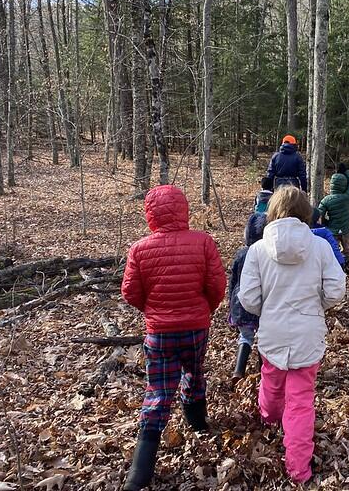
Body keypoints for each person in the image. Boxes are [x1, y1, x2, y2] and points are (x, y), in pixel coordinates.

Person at [120, 185, 226, 491]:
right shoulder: (202, 242)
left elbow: (130, 292)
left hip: (160, 332)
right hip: (195, 327)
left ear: (149, 214)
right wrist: (203, 309)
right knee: (194, 371)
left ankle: (138, 476)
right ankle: (198, 423)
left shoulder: (139, 249)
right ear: (184, 210)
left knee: (158, 392)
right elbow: (217, 285)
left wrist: (154, 310)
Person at [239, 186, 346, 483]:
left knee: (271, 382)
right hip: (308, 334)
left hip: (272, 332)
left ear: (272, 211)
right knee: (300, 402)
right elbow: (336, 290)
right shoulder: (320, 247)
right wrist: (317, 305)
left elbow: (247, 297)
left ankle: (269, 417)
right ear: (306, 213)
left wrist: (268, 309)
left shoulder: (258, 250)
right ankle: (299, 470)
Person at [228, 213, 266, 379]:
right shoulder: (266, 254)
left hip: (241, 302)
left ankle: (239, 369)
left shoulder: (242, 254)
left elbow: (233, 281)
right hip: (260, 303)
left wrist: (231, 303)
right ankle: (263, 369)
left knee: (245, 336)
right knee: (264, 336)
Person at [317, 171, 349, 267]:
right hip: (345, 228)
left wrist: (322, 224)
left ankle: (336, 264)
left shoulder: (326, 200)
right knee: (347, 248)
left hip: (333, 229)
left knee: (333, 247)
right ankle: (348, 265)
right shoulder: (346, 197)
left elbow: (319, 214)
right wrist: (348, 174)